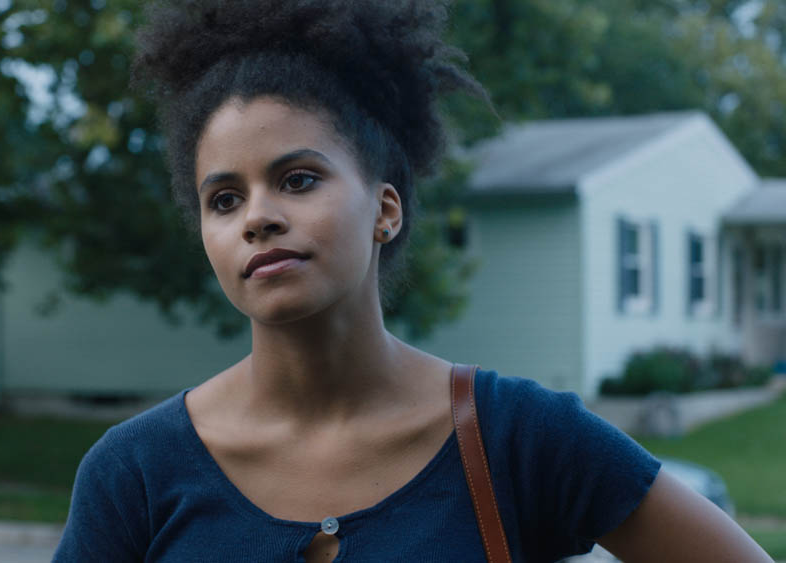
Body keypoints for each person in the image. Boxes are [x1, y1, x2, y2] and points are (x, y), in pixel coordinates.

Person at [53, 1, 772, 561]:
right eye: (225, 199)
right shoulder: (135, 473)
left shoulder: (518, 436)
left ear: (385, 209)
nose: (258, 217)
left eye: (297, 179)